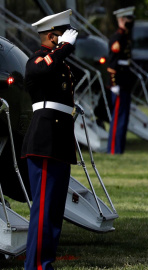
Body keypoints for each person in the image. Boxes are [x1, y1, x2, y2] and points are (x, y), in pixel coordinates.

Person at [21, 9, 78, 270]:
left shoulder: (59, 62)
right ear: (51, 36)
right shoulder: (37, 60)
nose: (66, 38)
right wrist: (64, 47)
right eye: (61, 34)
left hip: (60, 139)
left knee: (54, 209)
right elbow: (44, 69)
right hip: (44, 139)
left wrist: (63, 49)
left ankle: (46, 262)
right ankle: (35, 265)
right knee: (43, 208)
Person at [106, 6, 135, 154]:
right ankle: (113, 149)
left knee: (123, 118)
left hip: (125, 82)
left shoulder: (126, 37)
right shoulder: (117, 38)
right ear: (122, 20)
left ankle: (119, 149)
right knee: (118, 119)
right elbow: (111, 64)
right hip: (119, 83)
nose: (131, 21)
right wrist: (114, 83)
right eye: (128, 19)